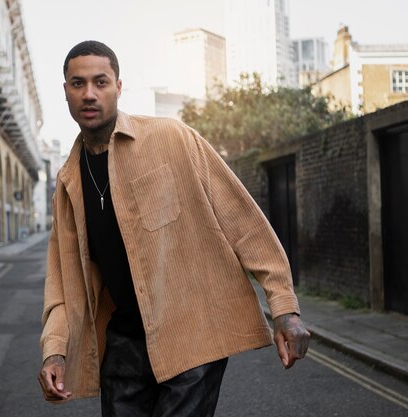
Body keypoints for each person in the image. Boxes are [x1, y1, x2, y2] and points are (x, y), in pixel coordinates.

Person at [38, 40, 310, 417]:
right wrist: (55, 350)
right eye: (77, 83)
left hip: (191, 336)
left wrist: (284, 309)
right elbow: (64, 280)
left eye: (100, 82)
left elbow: (243, 221)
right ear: (65, 91)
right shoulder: (68, 180)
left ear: (118, 87)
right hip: (123, 345)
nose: (89, 94)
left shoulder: (172, 138)